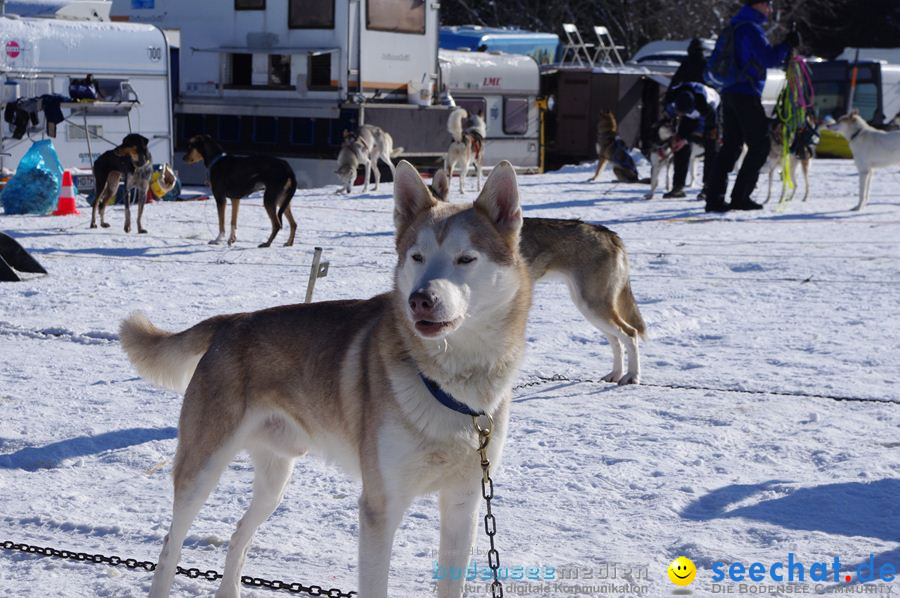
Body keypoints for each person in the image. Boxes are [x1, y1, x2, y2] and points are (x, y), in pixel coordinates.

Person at [704, 0, 799, 212]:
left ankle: (714, 197)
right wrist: (787, 44)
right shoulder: (751, 28)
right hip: (745, 92)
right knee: (760, 145)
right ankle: (740, 197)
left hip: (729, 91)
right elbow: (768, 58)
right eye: (767, 4)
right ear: (757, 5)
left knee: (731, 145)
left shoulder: (735, 26)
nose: (770, 9)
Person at [661, 82, 720, 199]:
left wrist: (687, 139)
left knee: (711, 147)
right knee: (679, 145)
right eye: (680, 112)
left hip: (712, 115)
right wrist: (675, 135)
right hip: (689, 113)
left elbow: (703, 129)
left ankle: (708, 187)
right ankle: (678, 186)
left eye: (684, 112)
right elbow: (668, 116)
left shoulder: (706, 106)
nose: (681, 114)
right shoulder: (672, 96)